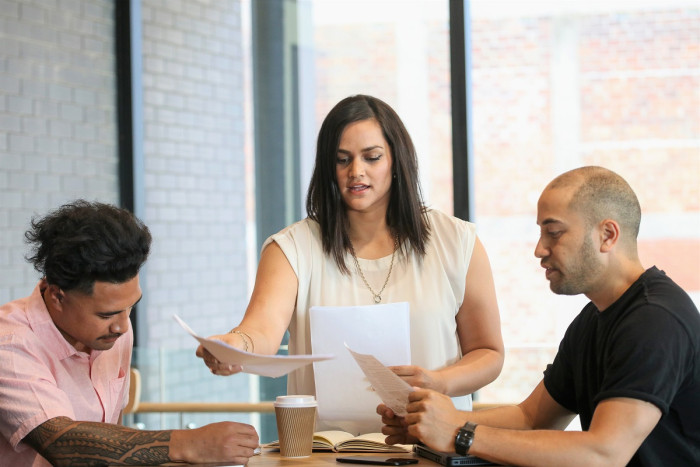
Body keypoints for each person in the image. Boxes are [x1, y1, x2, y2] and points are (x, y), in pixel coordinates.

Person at [197, 95, 504, 429]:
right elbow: (261, 331)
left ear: (397, 161)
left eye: (372, 157)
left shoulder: (456, 241)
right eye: (342, 160)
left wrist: (439, 382)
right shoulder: (293, 247)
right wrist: (235, 347)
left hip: (432, 448)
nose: (356, 171)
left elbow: (489, 353)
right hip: (326, 455)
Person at [378, 166, 700, 466]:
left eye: (555, 233)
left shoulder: (655, 321)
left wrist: (459, 434)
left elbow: (605, 453)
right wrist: (429, 424)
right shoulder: (593, 319)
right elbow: (531, 418)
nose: (539, 249)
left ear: (607, 235)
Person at [0, 200, 259, 466]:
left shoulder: (112, 330)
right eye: (106, 314)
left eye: (131, 308)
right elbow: (63, 445)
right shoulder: (10, 344)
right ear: (57, 297)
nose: (122, 327)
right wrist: (187, 444)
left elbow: (115, 440)